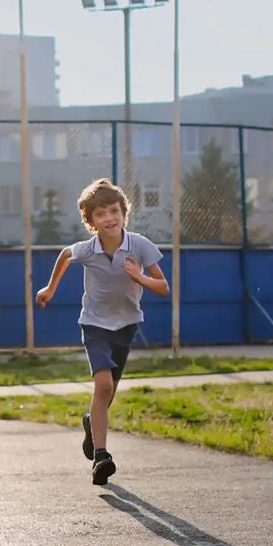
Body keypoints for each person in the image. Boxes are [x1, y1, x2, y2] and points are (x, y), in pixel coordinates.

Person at [33, 178, 168, 485]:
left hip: (127, 324)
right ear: (90, 220)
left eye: (113, 211)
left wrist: (139, 277)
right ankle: (101, 456)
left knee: (108, 393)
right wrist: (50, 288)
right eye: (101, 213)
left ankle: (91, 423)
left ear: (124, 213)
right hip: (94, 324)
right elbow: (66, 254)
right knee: (103, 386)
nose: (109, 217)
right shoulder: (87, 250)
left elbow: (163, 287)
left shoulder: (140, 246)